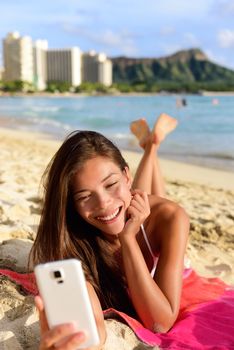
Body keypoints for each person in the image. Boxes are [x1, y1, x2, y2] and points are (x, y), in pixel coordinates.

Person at [30, 113, 189, 350]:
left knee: (145, 199)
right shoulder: (70, 240)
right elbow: (94, 326)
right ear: (71, 204)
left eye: (111, 183)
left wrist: (128, 238)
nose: (102, 203)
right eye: (84, 196)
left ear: (126, 175)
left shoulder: (172, 217)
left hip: (145, 215)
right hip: (124, 209)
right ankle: (150, 145)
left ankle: (151, 146)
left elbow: (161, 322)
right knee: (123, 203)